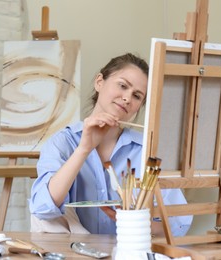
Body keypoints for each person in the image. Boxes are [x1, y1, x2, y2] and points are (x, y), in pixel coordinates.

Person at [29, 53, 192, 236]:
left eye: (137, 96)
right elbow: (43, 209)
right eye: (123, 86)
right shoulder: (63, 142)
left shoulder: (146, 151)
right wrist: (84, 149)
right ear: (99, 82)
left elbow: (178, 225)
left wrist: (133, 221)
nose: (127, 98)